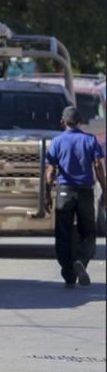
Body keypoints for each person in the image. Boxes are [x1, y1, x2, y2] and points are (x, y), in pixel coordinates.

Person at [45, 106, 106, 287]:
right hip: (86, 192)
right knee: (88, 232)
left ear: (62, 122)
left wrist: (47, 195)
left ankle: (68, 272)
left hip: (64, 191)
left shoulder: (57, 142)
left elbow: (50, 172)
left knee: (63, 234)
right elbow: (98, 166)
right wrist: (105, 188)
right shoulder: (90, 140)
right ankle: (81, 259)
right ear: (80, 122)